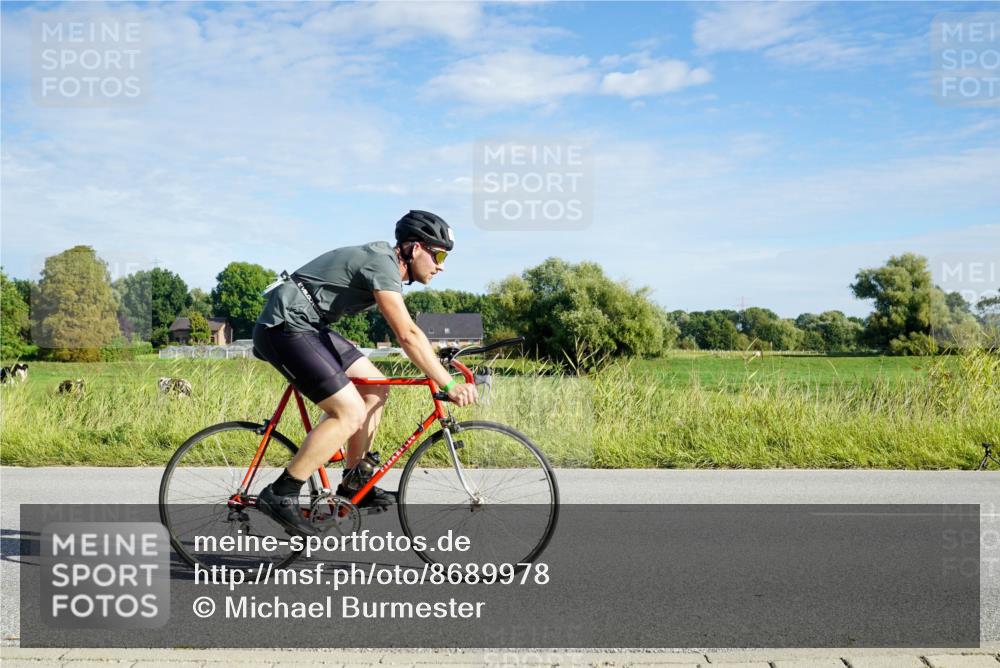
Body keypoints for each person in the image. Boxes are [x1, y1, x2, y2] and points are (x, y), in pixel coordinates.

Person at [251, 210, 478, 536]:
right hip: (284, 326)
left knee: (376, 387)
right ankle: (281, 493)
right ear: (415, 248)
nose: (441, 266)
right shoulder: (382, 264)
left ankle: (354, 482)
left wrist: (439, 363)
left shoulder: (386, 265)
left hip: (310, 326)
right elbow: (407, 334)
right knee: (349, 412)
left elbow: (412, 334)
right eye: (438, 255)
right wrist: (449, 383)